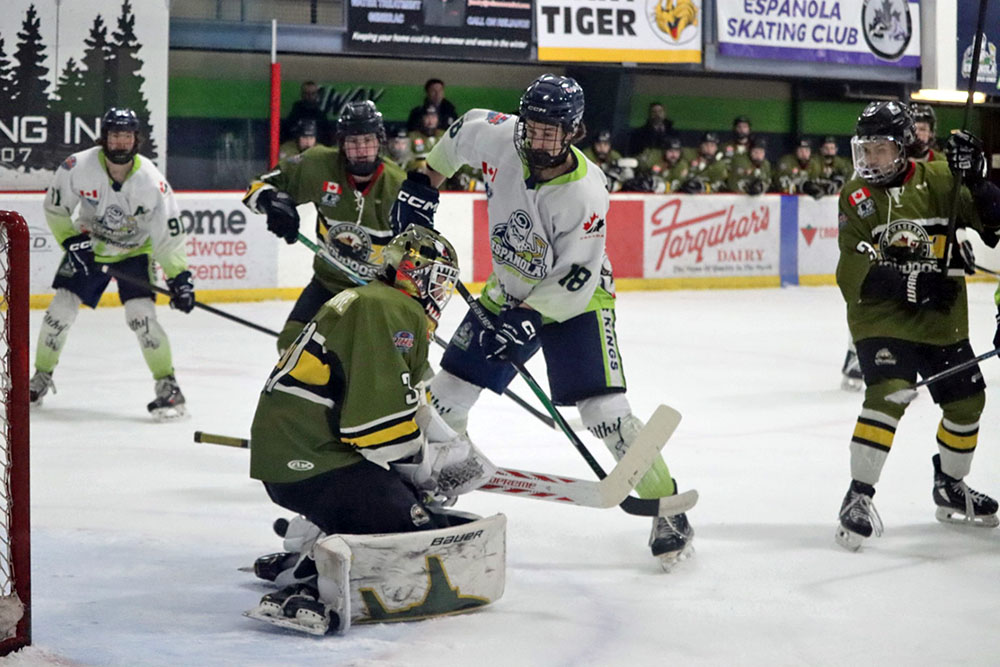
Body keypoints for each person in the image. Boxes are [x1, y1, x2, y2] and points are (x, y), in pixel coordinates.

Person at [394, 74, 695, 568]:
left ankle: (667, 508)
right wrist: (424, 184)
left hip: (578, 298)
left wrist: (530, 319)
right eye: (532, 127)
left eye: (550, 131)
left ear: (573, 131)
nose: (537, 140)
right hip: (508, 287)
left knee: (605, 413)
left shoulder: (585, 193)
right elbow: (461, 131)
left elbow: (577, 275)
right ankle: (443, 478)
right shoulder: (497, 135)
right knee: (445, 398)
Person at [246, 226, 502, 634]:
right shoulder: (390, 308)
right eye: (437, 280)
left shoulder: (379, 301)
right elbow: (372, 428)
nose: (441, 293)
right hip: (314, 462)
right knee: (412, 524)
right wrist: (426, 467)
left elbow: (412, 404)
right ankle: (312, 586)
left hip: (298, 454)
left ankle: (306, 557)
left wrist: (448, 447)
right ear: (412, 273)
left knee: (401, 501)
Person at [834, 100, 1000, 551]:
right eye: (865, 150)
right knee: (887, 394)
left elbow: (993, 224)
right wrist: (914, 285)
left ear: (904, 146)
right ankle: (858, 495)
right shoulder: (856, 195)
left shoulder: (944, 178)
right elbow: (851, 274)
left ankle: (950, 485)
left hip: (941, 321)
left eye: (881, 149)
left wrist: (979, 179)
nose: (870, 160)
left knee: (968, 402)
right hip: (881, 317)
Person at [29, 107, 194, 420]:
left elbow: (168, 234)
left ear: (136, 139)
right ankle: (40, 377)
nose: (120, 142)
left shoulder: (152, 182)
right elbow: (55, 207)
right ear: (104, 138)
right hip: (89, 249)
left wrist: (180, 278)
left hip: (134, 253)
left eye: (126, 136)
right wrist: (71, 241)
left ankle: (168, 386)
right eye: (115, 135)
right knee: (59, 312)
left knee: (141, 317)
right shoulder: (77, 166)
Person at [243, 100, 408, 352]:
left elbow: (417, 253)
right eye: (353, 142)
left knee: (375, 362)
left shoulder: (399, 186)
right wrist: (272, 203)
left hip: (376, 296)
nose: (361, 149)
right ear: (341, 144)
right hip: (327, 284)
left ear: (380, 141)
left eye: (368, 140)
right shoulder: (318, 165)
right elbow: (259, 185)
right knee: (289, 346)